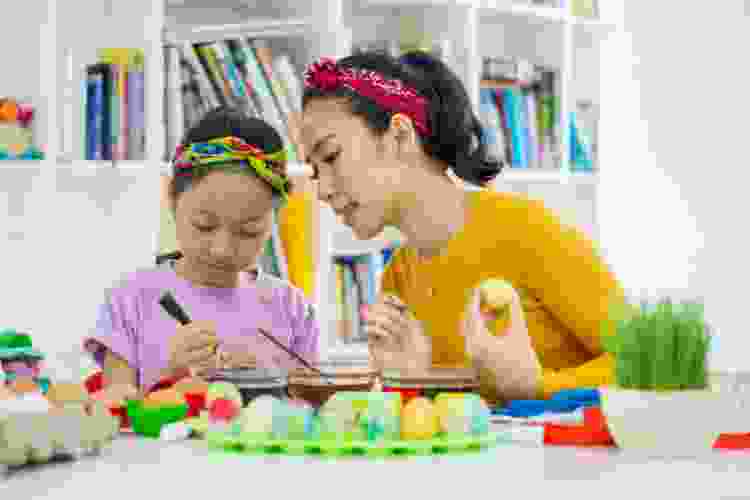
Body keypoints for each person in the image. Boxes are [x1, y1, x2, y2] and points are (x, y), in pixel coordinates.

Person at [300, 52, 628, 403]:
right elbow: (459, 426)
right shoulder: (397, 278)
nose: (322, 190)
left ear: (399, 136)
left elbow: (649, 367)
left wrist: (535, 387)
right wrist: (414, 388)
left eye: (332, 156)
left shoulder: (526, 231)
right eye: (315, 170)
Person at [83, 108, 320, 394]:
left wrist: (266, 384)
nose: (222, 250)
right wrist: (170, 374)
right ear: (171, 199)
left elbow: (316, 413)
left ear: (274, 217)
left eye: (248, 231)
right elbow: (115, 410)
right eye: (204, 225)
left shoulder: (290, 308)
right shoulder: (130, 300)